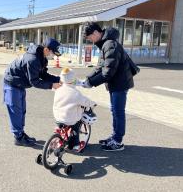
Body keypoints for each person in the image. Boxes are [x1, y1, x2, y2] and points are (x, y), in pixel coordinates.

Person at [81, 22, 134, 151]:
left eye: (89, 37)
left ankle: (118, 141)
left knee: (118, 112)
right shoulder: (105, 44)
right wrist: (88, 79)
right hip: (115, 84)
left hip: (120, 84)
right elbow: (100, 67)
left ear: (95, 33)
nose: (90, 41)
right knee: (114, 111)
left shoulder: (110, 44)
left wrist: (91, 83)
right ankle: (115, 136)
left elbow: (108, 72)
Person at [3, 38, 62, 146]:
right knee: (16, 111)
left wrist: (58, 79)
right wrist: (52, 85)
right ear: (46, 49)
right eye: (53, 53)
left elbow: (43, 75)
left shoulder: (42, 58)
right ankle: (18, 137)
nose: (53, 56)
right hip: (12, 83)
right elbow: (35, 81)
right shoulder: (33, 59)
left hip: (20, 84)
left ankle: (20, 133)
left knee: (22, 110)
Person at [53, 67, 96, 152]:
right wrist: (93, 103)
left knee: (61, 126)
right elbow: (86, 102)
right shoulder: (75, 93)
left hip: (57, 116)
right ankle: (76, 145)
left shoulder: (58, 89)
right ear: (73, 79)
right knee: (76, 126)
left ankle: (59, 139)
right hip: (69, 119)